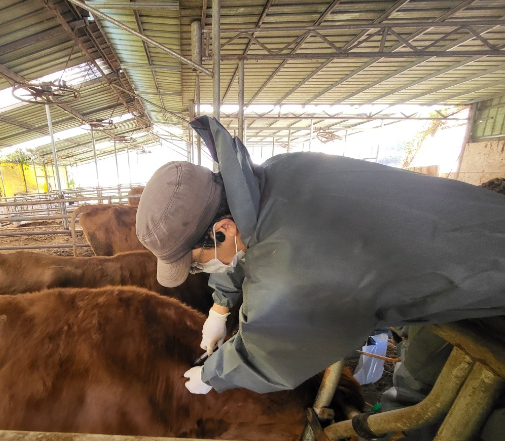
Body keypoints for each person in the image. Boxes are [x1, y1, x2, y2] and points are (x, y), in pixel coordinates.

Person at [135, 116, 505, 395]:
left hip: (487, 274)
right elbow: (258, 234)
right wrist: (220, 306)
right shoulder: (276, 174)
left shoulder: (294, 267)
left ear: (223, 230)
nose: (202, 267)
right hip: (476, 222)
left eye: (198, 261)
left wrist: (212, 374)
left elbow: (274, 350)